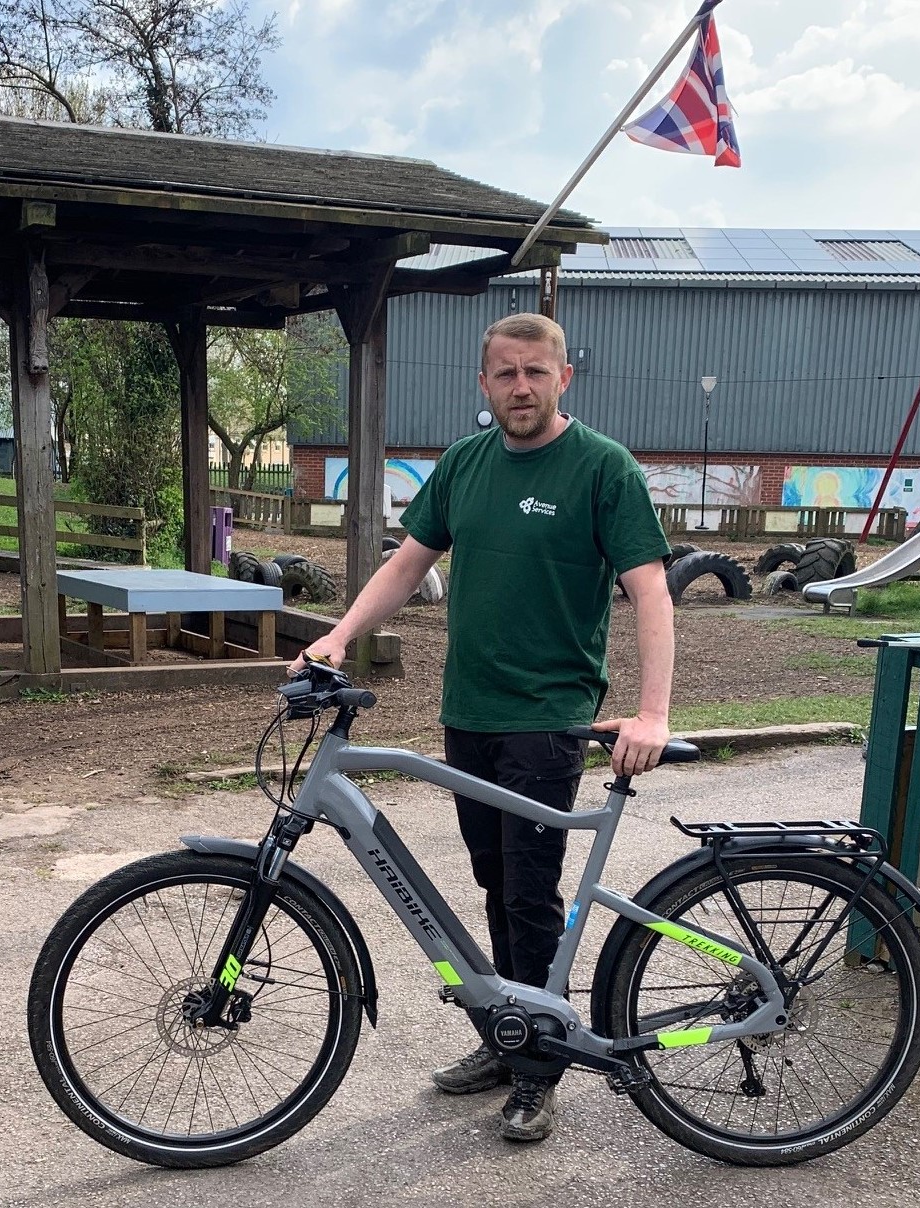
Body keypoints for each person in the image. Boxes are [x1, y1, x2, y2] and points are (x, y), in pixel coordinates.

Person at [293, 312, 675, 1143]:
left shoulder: (602, 469)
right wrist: (337, 634)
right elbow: (405, 564)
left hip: (548, 719)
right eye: (506, 374)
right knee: (495, 884)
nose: (522, 387)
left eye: (537, 372)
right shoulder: (464, 466)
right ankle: (509, 1039)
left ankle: (540, 1068)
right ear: (485, 384)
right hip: (469, 713)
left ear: (564, 377)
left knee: (530, 894)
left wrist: (651, 712)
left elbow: (650, 589)